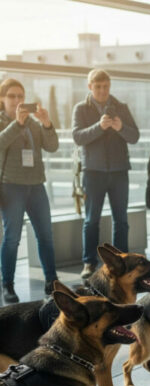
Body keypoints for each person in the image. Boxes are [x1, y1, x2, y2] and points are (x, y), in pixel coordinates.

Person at [72, 69, 139, 280]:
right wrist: (99, 127)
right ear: (90, 86)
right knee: (91, 220)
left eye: (106, 86)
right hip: (93, 172)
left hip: (119, 171)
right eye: (98, 86)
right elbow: (77, 137)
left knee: (121, 220)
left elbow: (134, 136)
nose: (102, 90)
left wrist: (120, 127)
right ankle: (89, 262)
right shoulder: (81, 109)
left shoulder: (121, 107)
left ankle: (121, 261)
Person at [0, 79, 59, 303]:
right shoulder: (4, 121)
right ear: (2, 99)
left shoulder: (33, 123)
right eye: (12, 96)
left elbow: (52, 146)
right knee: (12, 238)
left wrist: (46, 124)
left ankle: (51, 281)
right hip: (10, 186)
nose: (17, 101)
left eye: (20, 97)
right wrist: (17, 123)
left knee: (45, 236)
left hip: (36, 186)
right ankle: (8, 285)